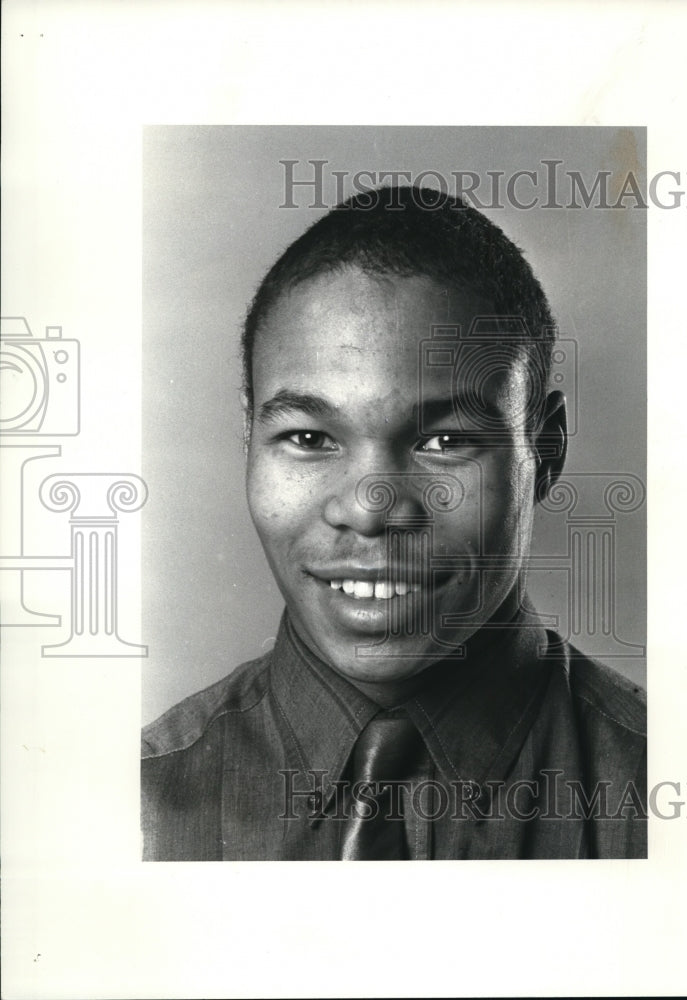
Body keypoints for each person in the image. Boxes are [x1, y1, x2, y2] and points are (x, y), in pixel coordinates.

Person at [141, 185, 646, 861]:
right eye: (310, 439)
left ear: (544, 450)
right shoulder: (125, 810)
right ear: (249, 440)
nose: (370, 511)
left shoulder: (677, 807)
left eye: (443, 443)